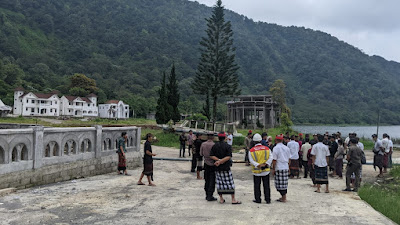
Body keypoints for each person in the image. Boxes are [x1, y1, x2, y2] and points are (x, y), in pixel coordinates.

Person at [210, 132, 241, 204]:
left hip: (217, 167)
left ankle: (221, 199)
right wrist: (221, 161)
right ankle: (233, 199)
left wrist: (218, 161)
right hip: (226, 167)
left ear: (218, 137)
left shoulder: (215, 146)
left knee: (220, 183)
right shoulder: (227, 146)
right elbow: (228, 156)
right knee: (230, 183)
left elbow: (211, 155)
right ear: (225, 138)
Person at [249, 133, 273, 204]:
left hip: (256, 172)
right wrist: (266, 164)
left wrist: (258, 165)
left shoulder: (251, 150)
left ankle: (258, 199)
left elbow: (251, 160)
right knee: (266, 186)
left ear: (253, 141)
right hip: (265, 170)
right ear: (261, 140)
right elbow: (271, 157)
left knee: (257, 186)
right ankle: (267, 199)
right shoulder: (267, 149)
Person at [271, 135, 291, 203]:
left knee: (279, 183)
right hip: (285, 166)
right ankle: (283, 196)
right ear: (282, 140)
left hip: (279, 167)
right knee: (284, 183)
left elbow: (274, 160)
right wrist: (288, 166)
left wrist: (273, 169)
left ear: (276, 141)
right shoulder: (286, 148)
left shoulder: (275, 148)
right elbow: (289, 159)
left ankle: (284, 197)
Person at [200, 133, 217, 201]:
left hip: (206, 163)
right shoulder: (214, 145)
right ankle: (210, 195)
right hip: (213, 164)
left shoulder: (203, 144)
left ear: (207, 137)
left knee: (206, 180)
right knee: (212, 180)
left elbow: (201, 154)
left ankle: (207, 194)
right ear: (212, 138)